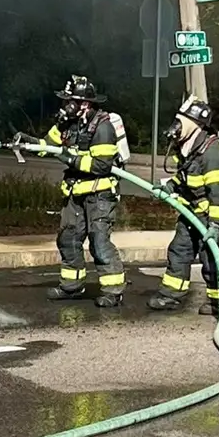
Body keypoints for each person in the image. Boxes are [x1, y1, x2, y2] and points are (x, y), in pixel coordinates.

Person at [41, 75, 127, 308]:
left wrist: (68, 157)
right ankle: (72, 286)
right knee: (68, 238)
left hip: (99, 195)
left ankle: (113, 289)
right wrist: (34, 138)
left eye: (70, 102)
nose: (65, 106)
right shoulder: (69, 123)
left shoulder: (103, 127)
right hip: (74, 193)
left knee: (99, 241)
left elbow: (100, 165)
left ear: (85, 104)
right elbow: (46, 147)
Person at [148, 96, 219, 316]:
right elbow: (185, 177)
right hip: (190, 214)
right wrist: (170, 187)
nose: (176, 125)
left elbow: (217, 195)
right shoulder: (187, 148)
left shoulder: (212, 153)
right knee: (179, 251)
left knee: (211, 260)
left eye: (181, 121)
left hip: (209, 217)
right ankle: (170, 296)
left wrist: (215, 225)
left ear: (195, 124)